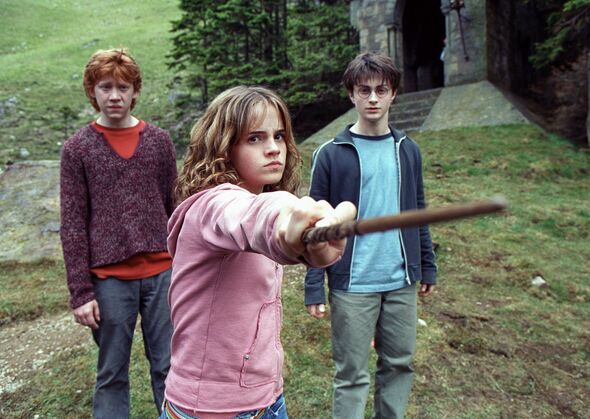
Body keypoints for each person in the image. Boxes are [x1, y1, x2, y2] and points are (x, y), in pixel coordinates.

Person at [161, 85, 356, 419]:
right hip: (211, 410)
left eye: (279, 136)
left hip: (266, 400)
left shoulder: (253, 197)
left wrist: (310, 241)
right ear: (224, 147)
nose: (273, 149)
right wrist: (288, 219)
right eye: (255, 138)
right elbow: (252, 217)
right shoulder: (210, 207)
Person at [304, 52, 437, 419]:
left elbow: (419, 210)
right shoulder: (330, 154)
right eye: (364, 90)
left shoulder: (407, 150)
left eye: (382, 90)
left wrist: (427, 264)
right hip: (352, 283)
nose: (373, 98)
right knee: (351, 376)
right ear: (352, 94)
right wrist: (315, 285)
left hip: (400, 280)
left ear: (393, 93)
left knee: (398, 365)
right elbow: (314, 226)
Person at [60, 48, 176, 418]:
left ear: (135, 91)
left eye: (122, 87)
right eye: (105, 87)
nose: (114, 96)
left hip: (163, 273)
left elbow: (176, 208)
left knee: (170, 367)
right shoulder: (77, 149)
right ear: (92, 91)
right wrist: (81, 293)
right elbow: (73, 224)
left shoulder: (159, 141)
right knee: (111, 373)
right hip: (109, 281)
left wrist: (187, 267)